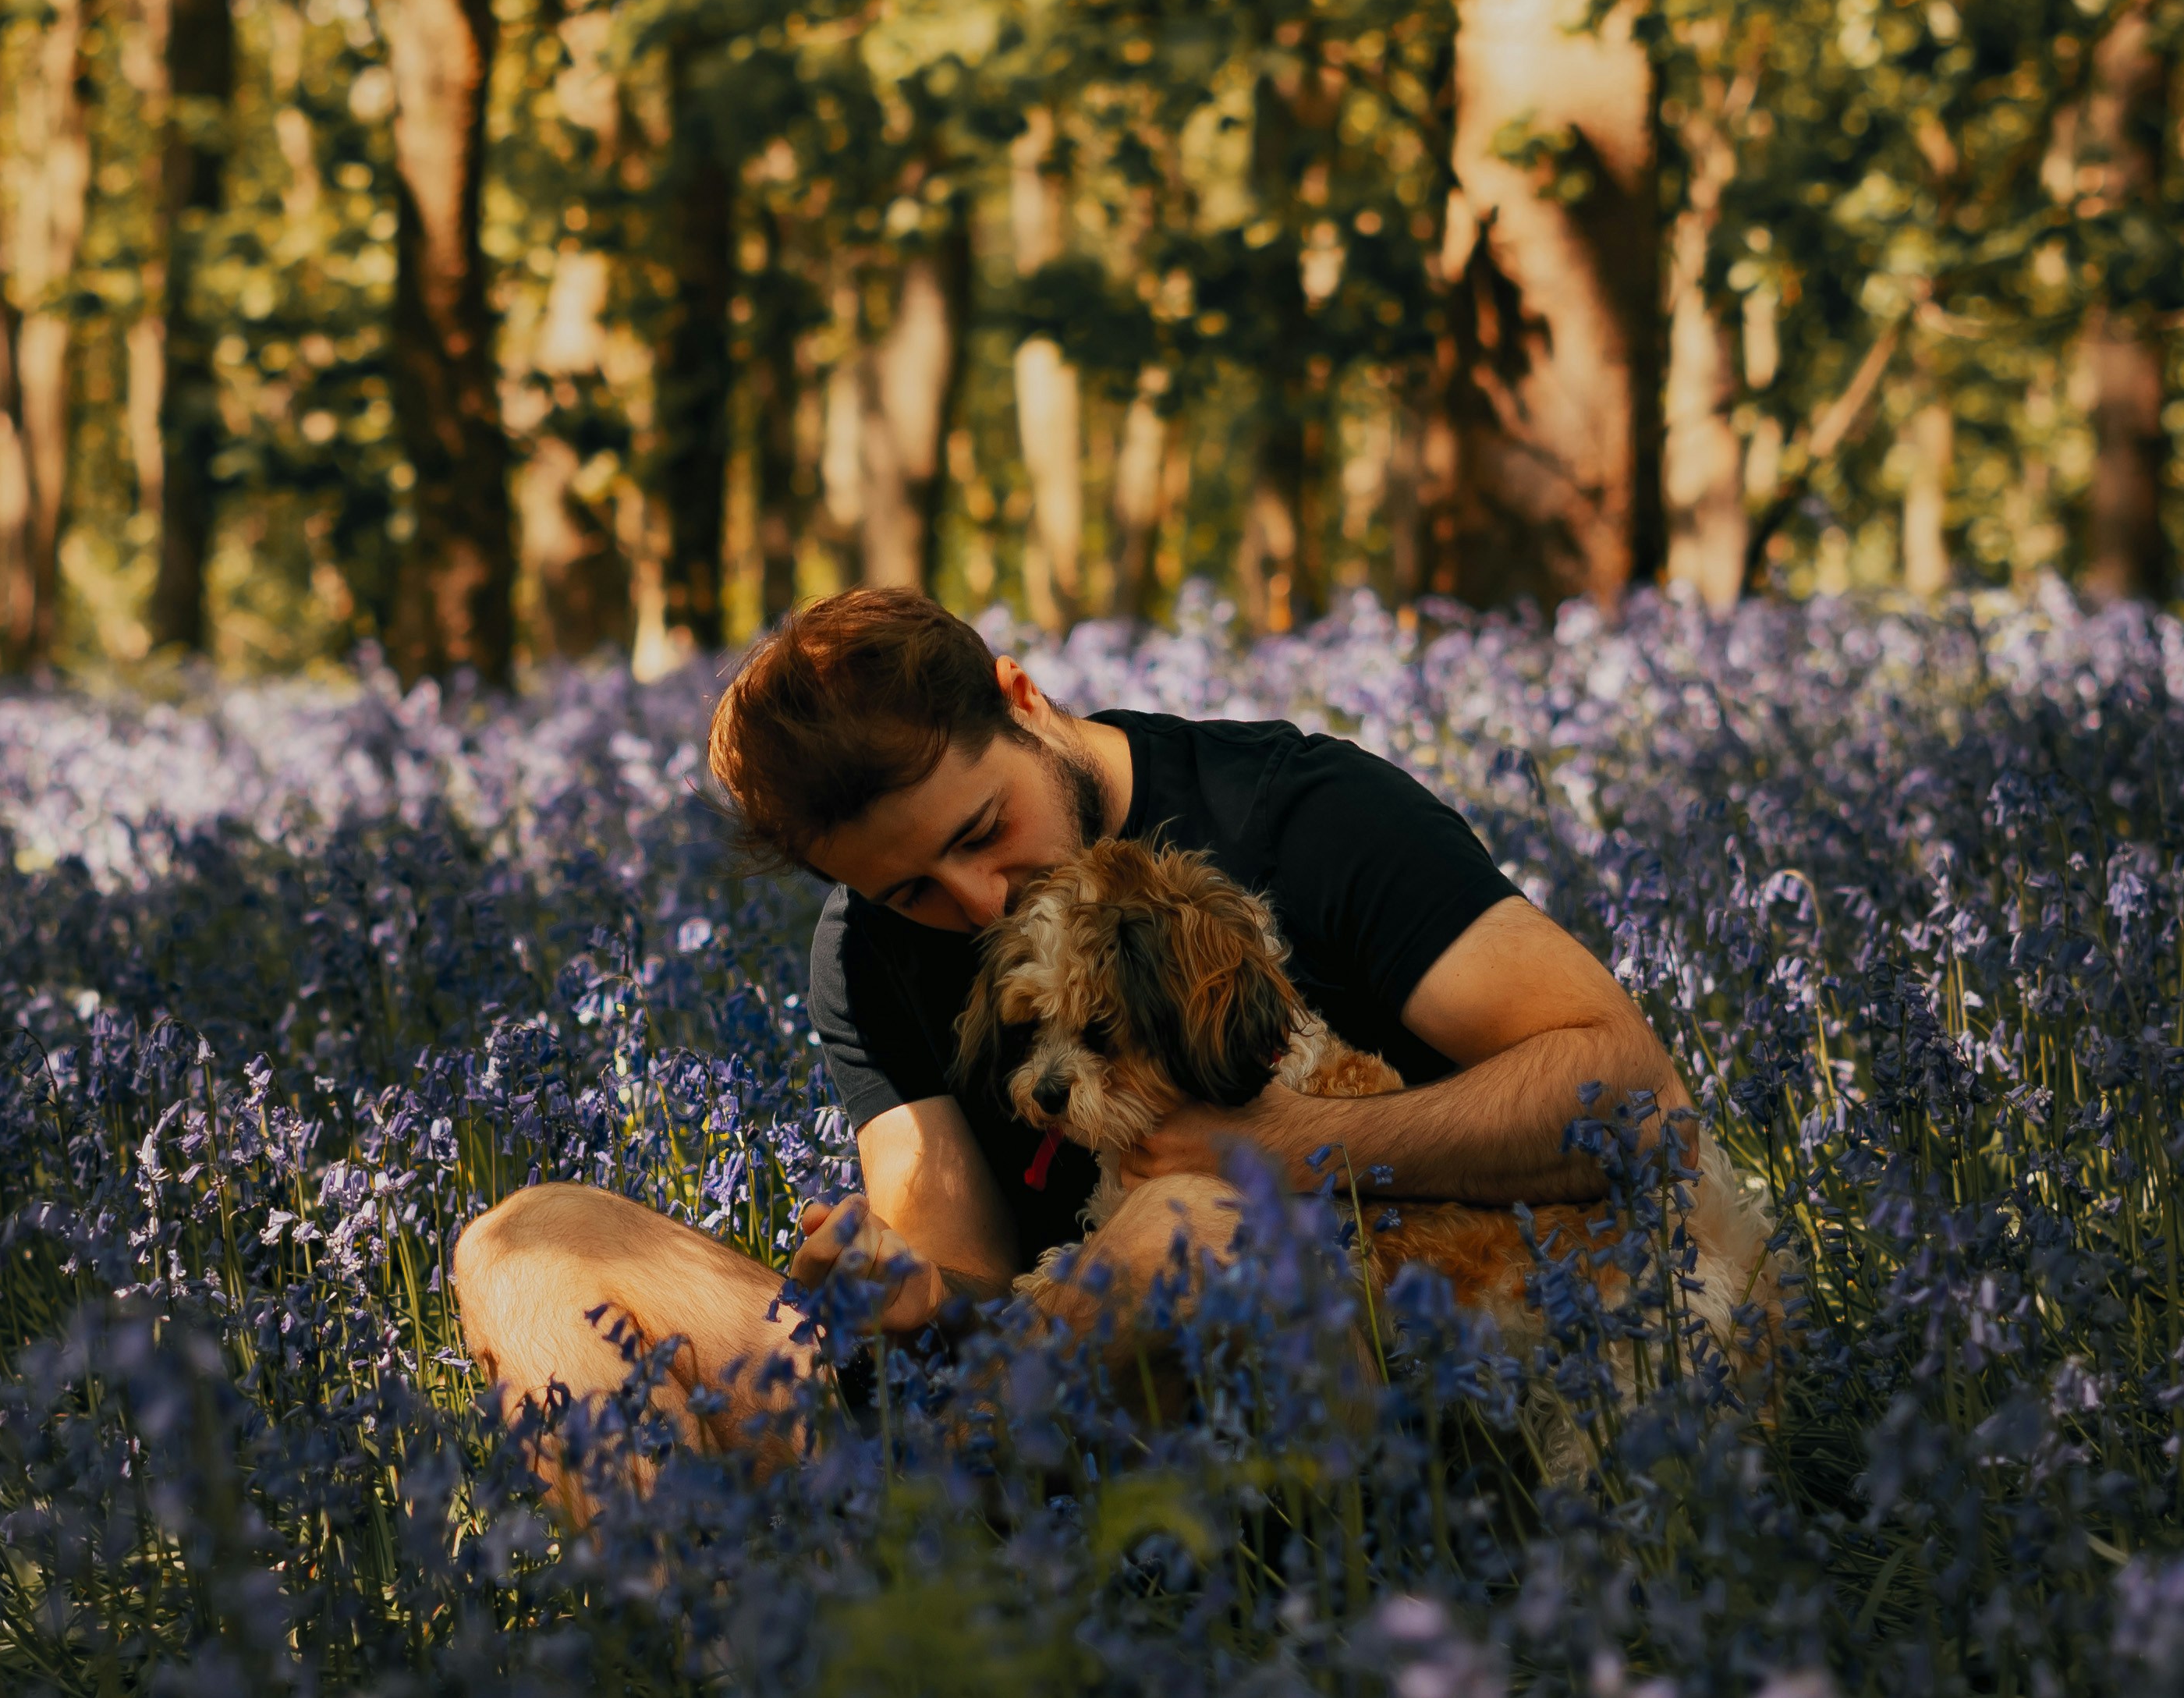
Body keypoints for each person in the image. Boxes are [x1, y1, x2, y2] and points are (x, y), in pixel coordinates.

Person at [452, 587, 1732, 1446]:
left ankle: (924, 1555)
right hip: (1065, 1399)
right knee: (531, 1248)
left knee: (1191, 1224)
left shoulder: (1305, 812)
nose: (973, 901)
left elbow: (1633, 1096)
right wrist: (912, 1293)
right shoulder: (870, 949)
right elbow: (973, 1290)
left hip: (1406, 1387)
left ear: (1020, 698)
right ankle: (745, 1667)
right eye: (908, 887)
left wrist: (1286, 1148)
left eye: (981, 831)